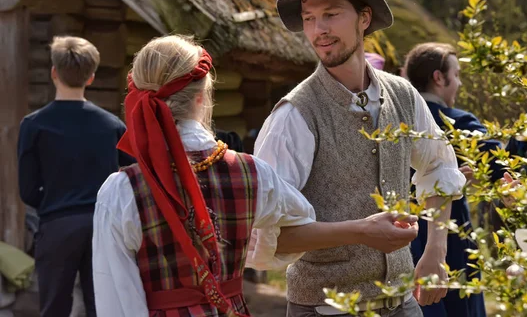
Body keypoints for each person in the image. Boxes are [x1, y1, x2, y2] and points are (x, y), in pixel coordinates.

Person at [92, 35, 420, 317]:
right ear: (201, 97)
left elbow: (116, 299)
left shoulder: (122, 191)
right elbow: (297, 223)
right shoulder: (252, 174)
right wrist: (254, 256)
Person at [253, 0, 466, 316]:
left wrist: (435, 253)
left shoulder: (403, 95)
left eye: (332, 14)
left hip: (403, 304)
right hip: (325, 308)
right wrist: (359, 231)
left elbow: (439, 169)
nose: (318, 29)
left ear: (364, 18)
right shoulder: (294, 116)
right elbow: (271, 234)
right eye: (309, 18)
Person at [17, 36, 135, 317]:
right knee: (102, 307)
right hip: (103, 226)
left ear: (53, 73)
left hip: (57, 224)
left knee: (54, 307)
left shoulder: (33, 125)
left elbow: (28, 190)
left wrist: (53, 203)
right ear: (92, 77)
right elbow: (133, 175)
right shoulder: (112, 126)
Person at [404, 42, 506, 317]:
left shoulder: (395, 122)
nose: (458, 83)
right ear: (439, 77)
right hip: (450, 239)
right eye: (457, 74)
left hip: (399, 236)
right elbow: (505, 164)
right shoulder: (459, 123)